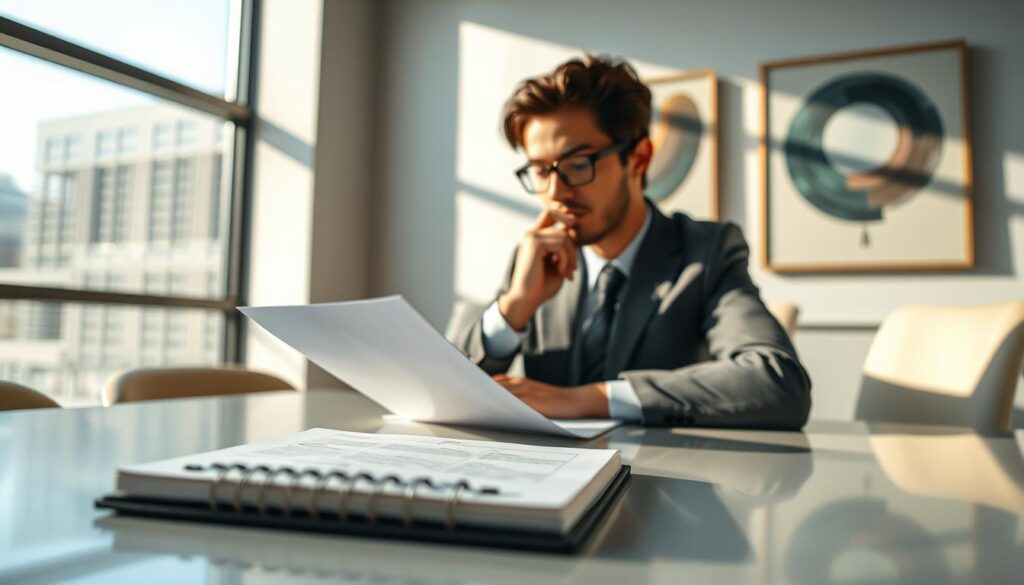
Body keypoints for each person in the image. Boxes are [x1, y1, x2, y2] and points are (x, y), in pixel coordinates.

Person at [450, 55, 811, 429]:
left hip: (670, 480)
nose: (556, 192)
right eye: (541, 171)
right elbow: (445, 393)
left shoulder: (707, 252)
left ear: (638, 159)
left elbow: (778, 382)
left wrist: (589, 400)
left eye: (578, 164)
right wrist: (515, 306)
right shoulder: (534, 259)